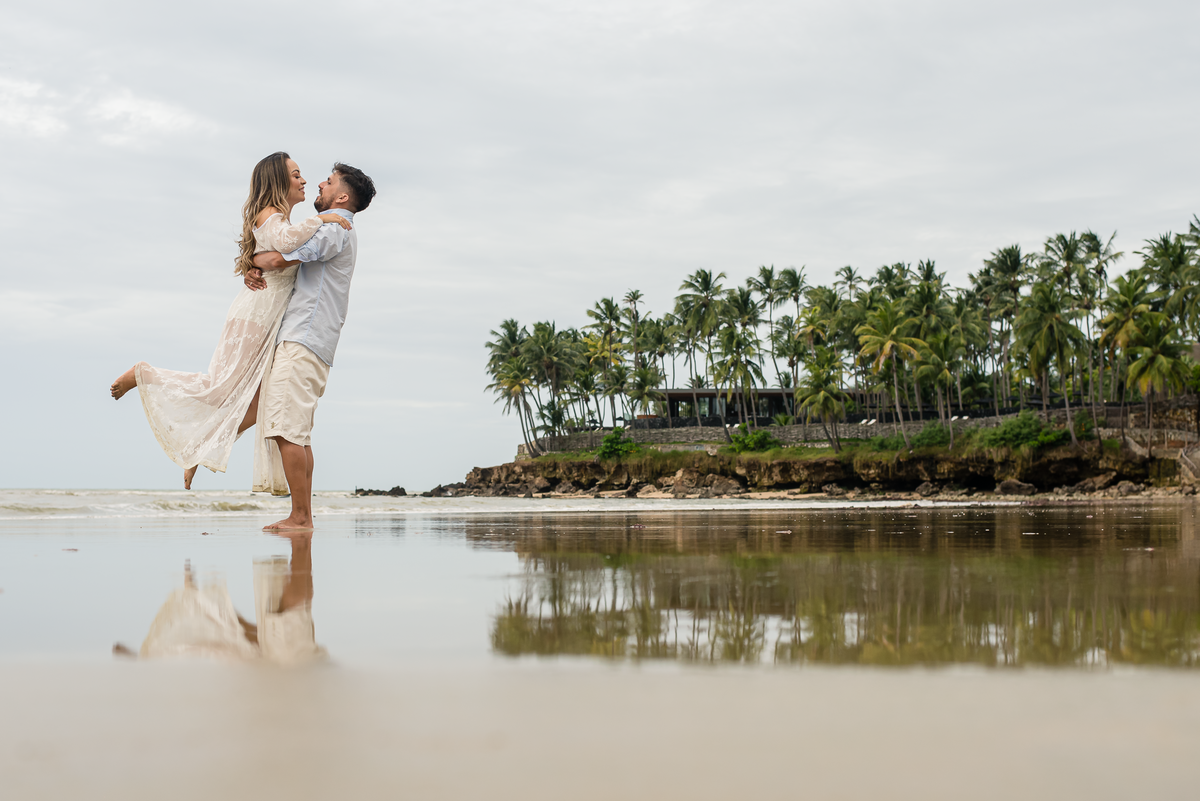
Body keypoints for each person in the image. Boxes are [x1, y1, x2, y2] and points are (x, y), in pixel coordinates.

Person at [109, 152, 351, 490]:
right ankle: (145, 374)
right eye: (296, 174)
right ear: (278, 182)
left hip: (270, 318)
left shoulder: (281, 219)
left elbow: (276, 250)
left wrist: (256, 259)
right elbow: (283, 249)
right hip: (257, 314)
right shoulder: (277, 217)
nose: (305, 180)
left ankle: (199, 450)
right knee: (219, 389)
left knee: (258, 400)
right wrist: (323, 220)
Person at [245, 162, 376, 530]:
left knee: (287, 428)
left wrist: (253, 260)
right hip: (311, 339)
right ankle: (302, 515)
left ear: (343, 196)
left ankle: (300, 517)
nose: (320, 183)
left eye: (329, 181)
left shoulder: (336, 226)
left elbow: (279, 257)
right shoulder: (339, 228)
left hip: (304, 337)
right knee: (296, 429)